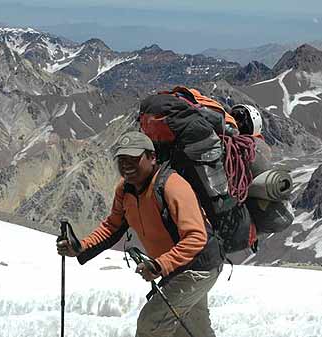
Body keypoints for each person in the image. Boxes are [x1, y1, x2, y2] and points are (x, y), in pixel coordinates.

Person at [57, 130, 223, 337]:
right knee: (192, 331)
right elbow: (113, 226)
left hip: (198, 267)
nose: (126, 165)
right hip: (176, 268)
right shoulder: (125, 189)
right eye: (122, 159)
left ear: (152, 158)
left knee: (150, 324)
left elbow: (196, 237)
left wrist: (160, 264)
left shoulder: (172, 185)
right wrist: (81, 247)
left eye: (134, 158)